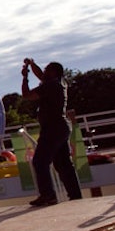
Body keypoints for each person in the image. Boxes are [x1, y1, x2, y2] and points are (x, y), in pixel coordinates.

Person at [20, 58, 83, 206]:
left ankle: (48, 195)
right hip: (62, 127)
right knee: (63, 164)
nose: (45, 71)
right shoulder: (60, 83)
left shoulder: (50, 86)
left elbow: (27, 95)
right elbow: (41, 75)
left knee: (40, 161)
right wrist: (31, 65)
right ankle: (75, 195)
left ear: (53, 71)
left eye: (47, 69)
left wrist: (25, 77)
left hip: (52, 128)